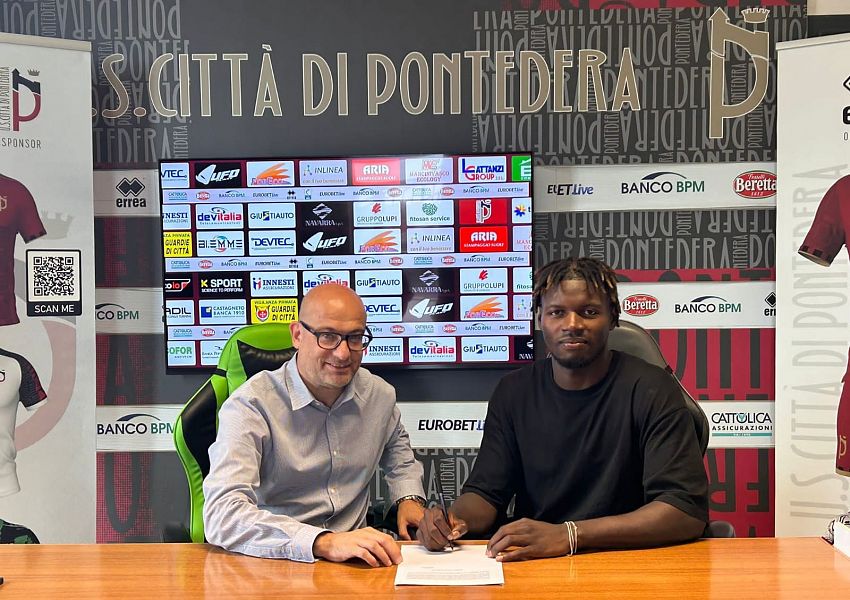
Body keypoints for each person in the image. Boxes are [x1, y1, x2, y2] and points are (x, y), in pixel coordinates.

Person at [417, 257, 708, 561]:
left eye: (589, 312)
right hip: (536, 561)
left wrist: (570, 535)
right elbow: (486, 494)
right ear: (540, 318)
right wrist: (451, 521)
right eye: (557, 312)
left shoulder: (652, 388)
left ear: (613, 318)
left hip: (626, 558)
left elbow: (683, 510)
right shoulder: (514, 392)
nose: (572, 325)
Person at [204, 283, 426, 566]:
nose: (343, 353)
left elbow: (400, 461)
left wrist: (409, 499)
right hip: (275, 562)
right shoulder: (251, 404)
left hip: (356, 565)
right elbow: (222, 515)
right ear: (298, 335)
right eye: (327, 336)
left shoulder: (379, 396)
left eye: (355, 337)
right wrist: (322, 542)